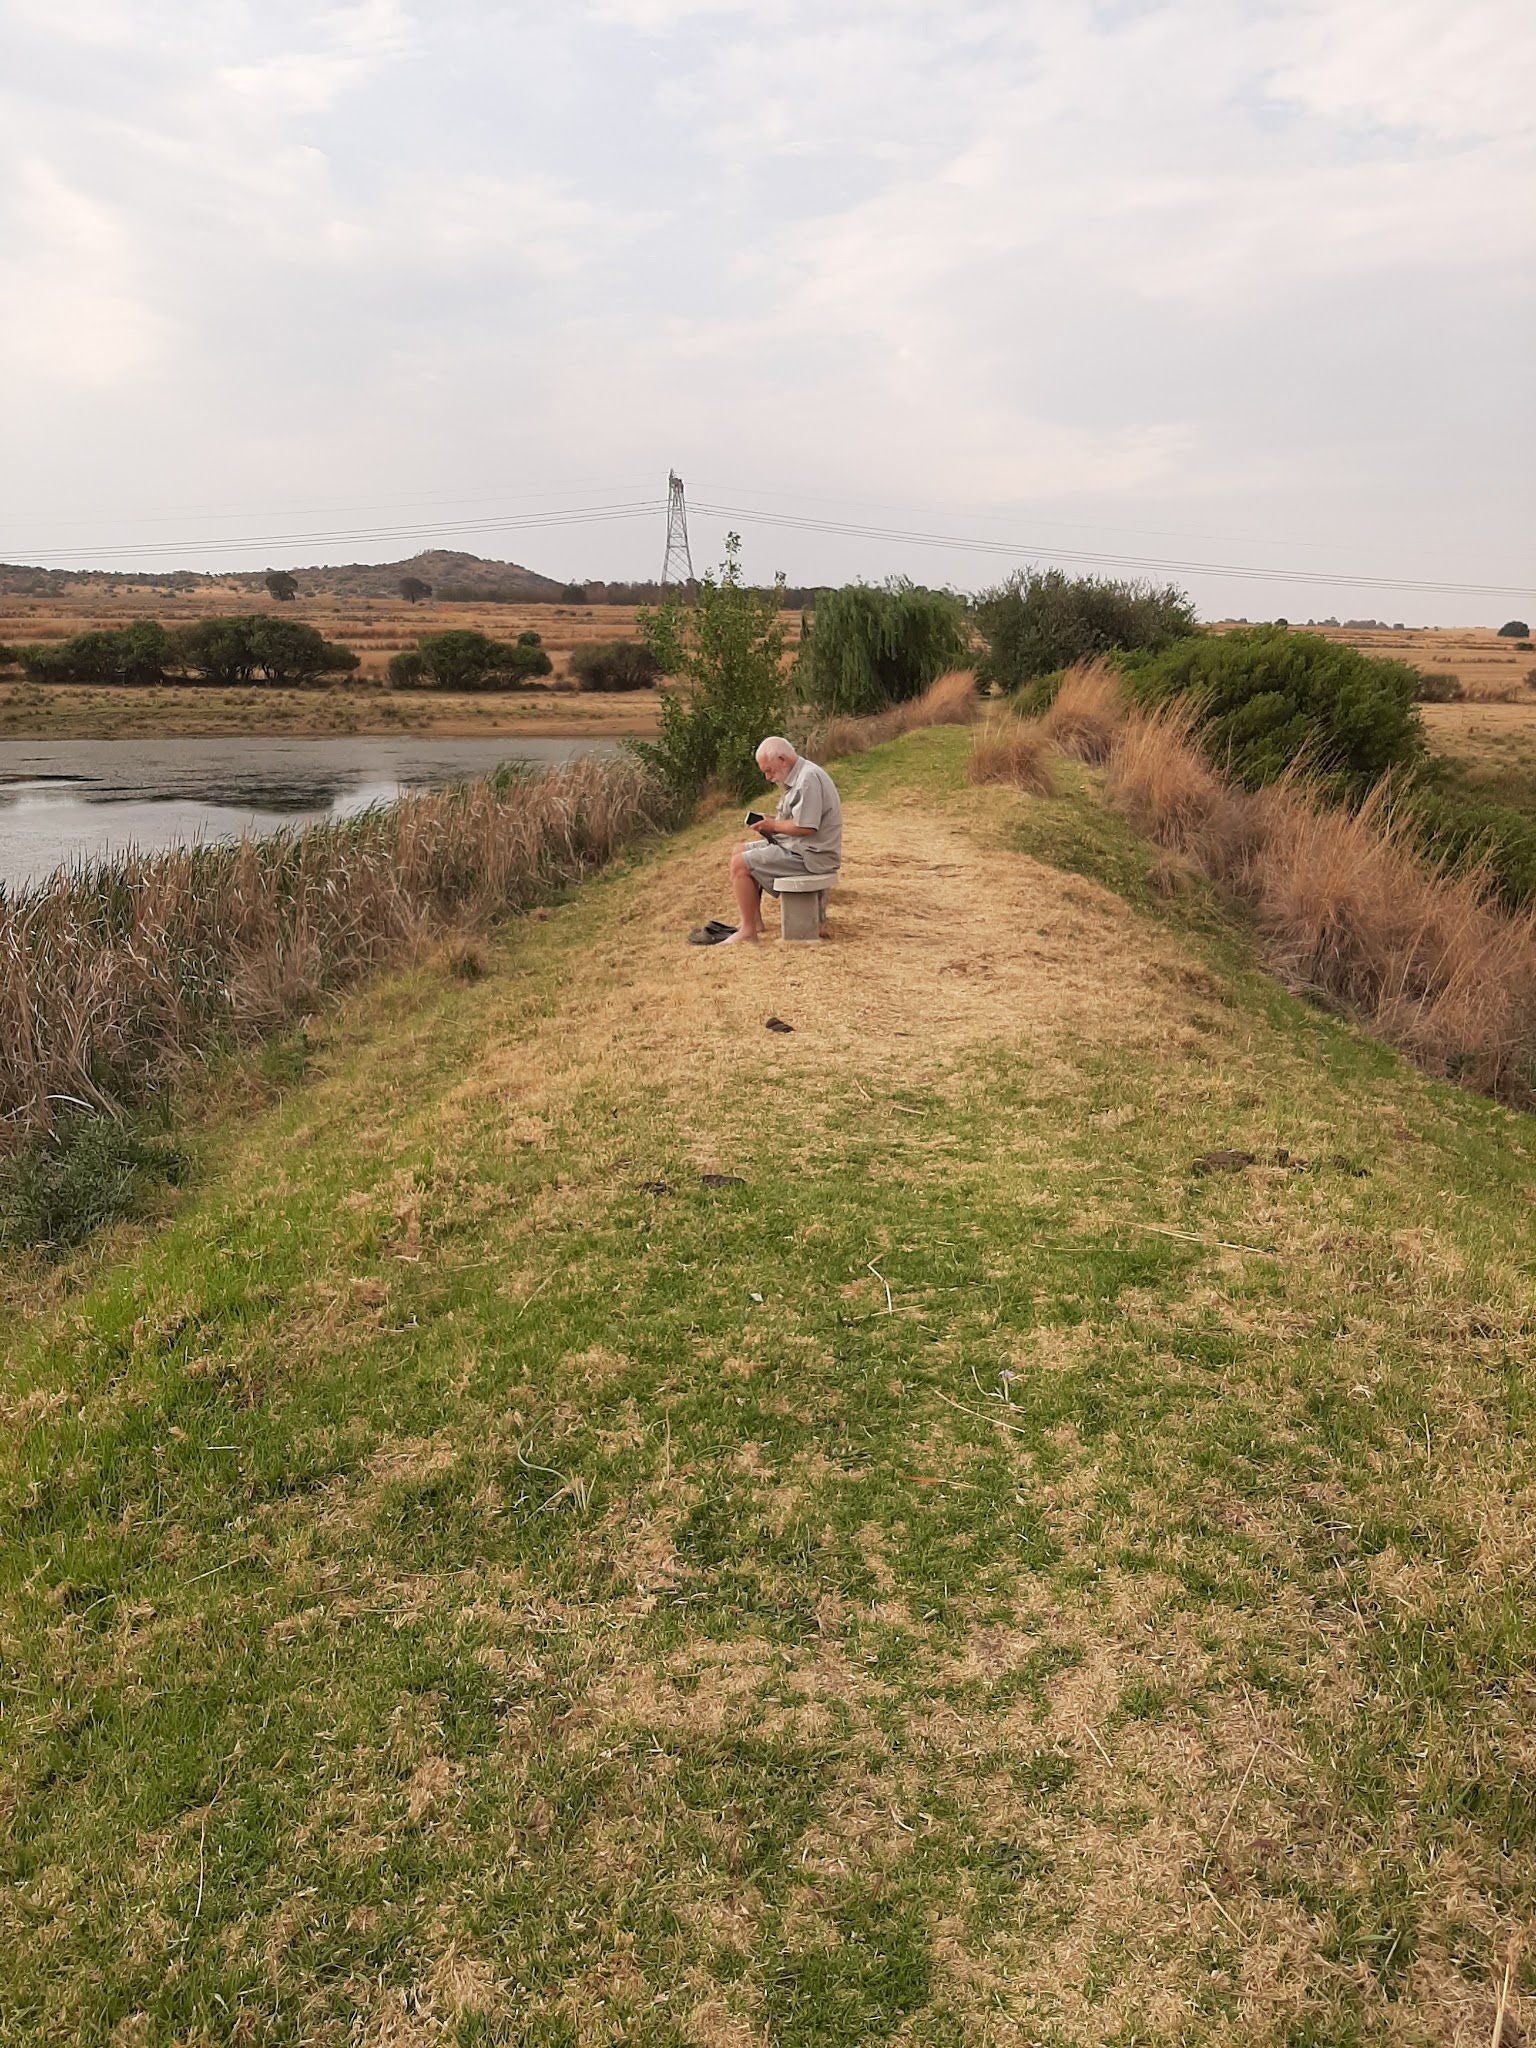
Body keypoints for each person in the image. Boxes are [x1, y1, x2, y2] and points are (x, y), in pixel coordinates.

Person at [720, 737, 842, 946]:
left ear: (782, 759)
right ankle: (753, 922)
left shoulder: (807, 780)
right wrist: (769, 824)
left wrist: (772, 826)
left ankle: (748, 932)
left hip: (812, 857)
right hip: (800, 849)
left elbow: (806, 827)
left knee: (740, 864)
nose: (768, 777)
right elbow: (795, 821)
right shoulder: (797, 776)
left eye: (769, 770)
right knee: (738, 850)